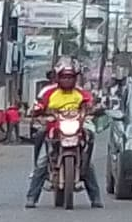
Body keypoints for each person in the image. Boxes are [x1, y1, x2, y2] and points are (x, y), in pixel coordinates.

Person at [23, 59, 102, 207]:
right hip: (55, 128)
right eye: (64, 77)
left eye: (70, 77)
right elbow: (38, 105)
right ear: (58, 78)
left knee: (88, 159)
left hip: (76, 127)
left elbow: (90, 104)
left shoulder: (80, 93)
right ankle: (32, 197)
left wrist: (93, 109)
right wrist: (38, 110)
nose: (67, 80)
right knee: (42, 160)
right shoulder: (48, 92)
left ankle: (95, 198)